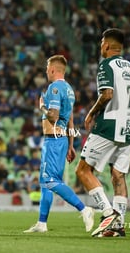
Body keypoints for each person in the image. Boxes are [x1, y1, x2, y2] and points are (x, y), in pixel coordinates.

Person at [75, 28, 130, 238]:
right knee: (118, 176)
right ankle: (119, 226)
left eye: (101, 43)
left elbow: (107, 94)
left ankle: (107, 213)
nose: (100, 47)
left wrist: (91, 112)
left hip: (109, 125)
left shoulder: (106, 64)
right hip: (128, 129)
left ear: (106, 45)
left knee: (83, 170)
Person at [24, 55, 94, 233]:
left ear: (53, 70)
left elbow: (53, 116)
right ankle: (42, 223)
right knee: (45, 182)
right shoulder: (69, 89)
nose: (46, 71)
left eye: (47, 68)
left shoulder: (54, 88)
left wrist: (41, 106)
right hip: (60, 140)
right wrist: (70, 145)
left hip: (54, 140)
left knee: (50, 181)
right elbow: (70, 119)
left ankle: (84, 209)